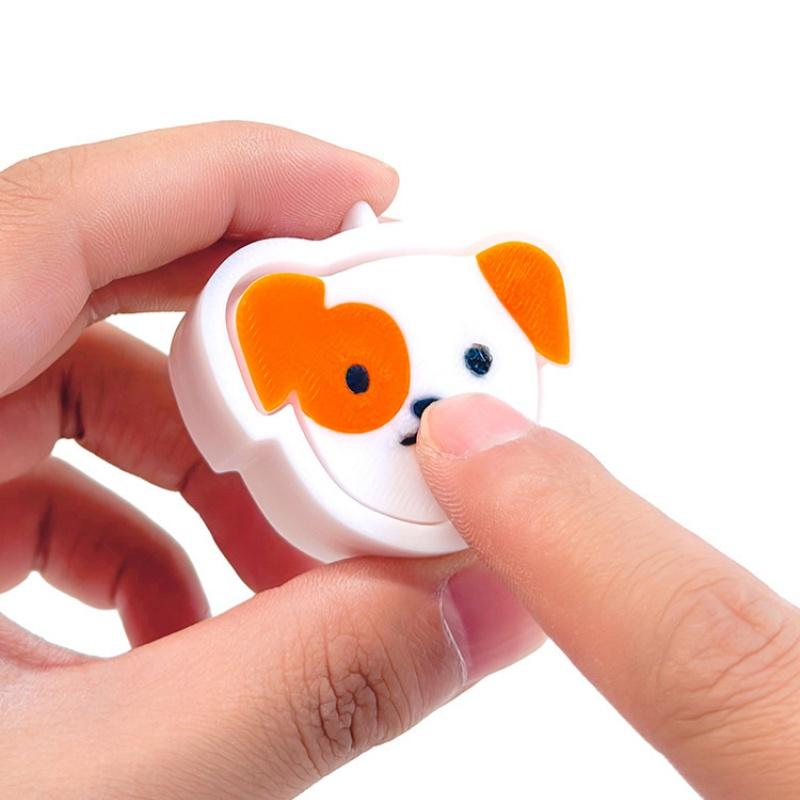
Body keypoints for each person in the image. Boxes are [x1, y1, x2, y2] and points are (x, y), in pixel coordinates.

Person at [0, 122, 794, 799]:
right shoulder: (283, 329)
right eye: (357, 381)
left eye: (479, 361)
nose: (434, 403)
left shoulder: (472, 284)